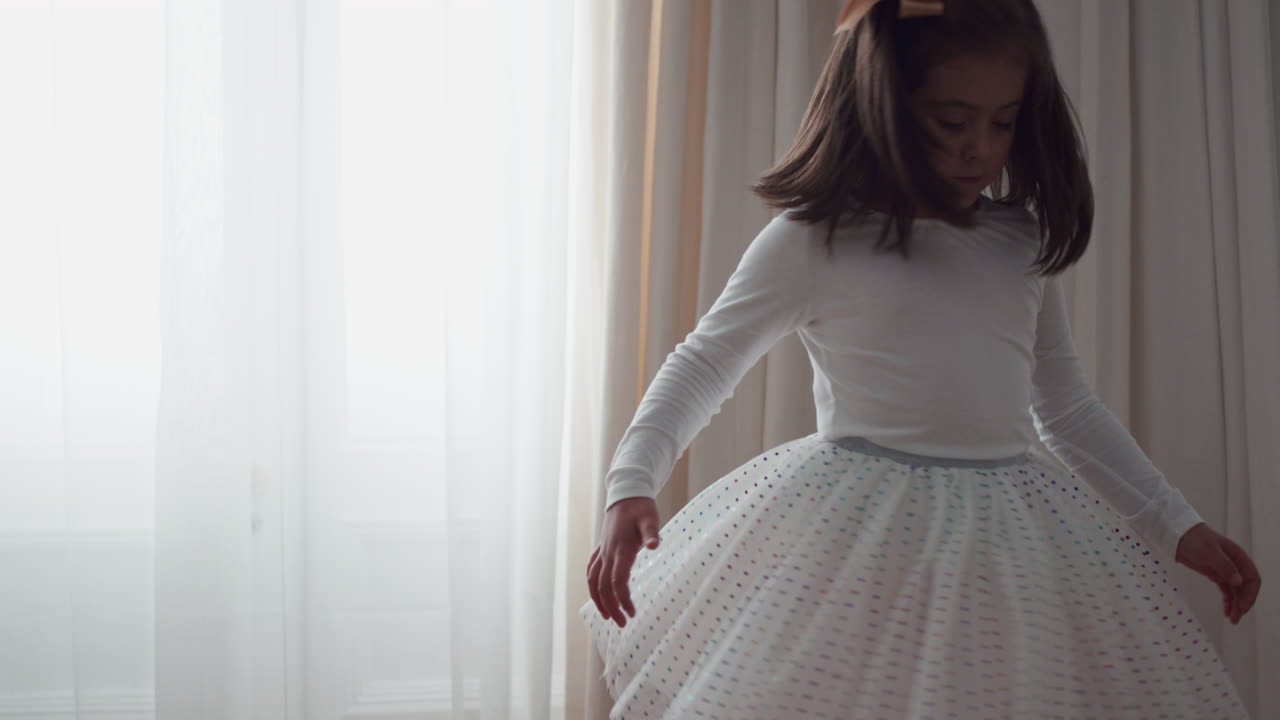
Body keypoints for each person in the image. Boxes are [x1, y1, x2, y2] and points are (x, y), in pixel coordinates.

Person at [578, 0, 1261, 717]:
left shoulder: (1017, 241)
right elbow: (705, 363)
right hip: (861, 550)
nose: (980, 148)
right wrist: (632, 481)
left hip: (1007, 546)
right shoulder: (815, 239)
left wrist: (1174, 524)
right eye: (952, 121)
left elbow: (1065, 408)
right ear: (884, 104)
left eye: (1003, 122)